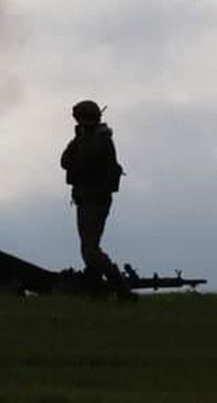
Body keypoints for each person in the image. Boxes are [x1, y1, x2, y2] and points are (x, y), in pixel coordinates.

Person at [60, 100, 135, 300]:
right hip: (89, 198)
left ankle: (121, 288)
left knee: (90, 249)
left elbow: (77, 161)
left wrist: (79, 140)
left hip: (94, 199)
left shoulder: (98, 140)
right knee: (88, 247)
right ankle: (98, 291)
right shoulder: (89, 138)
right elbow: (65, 161)